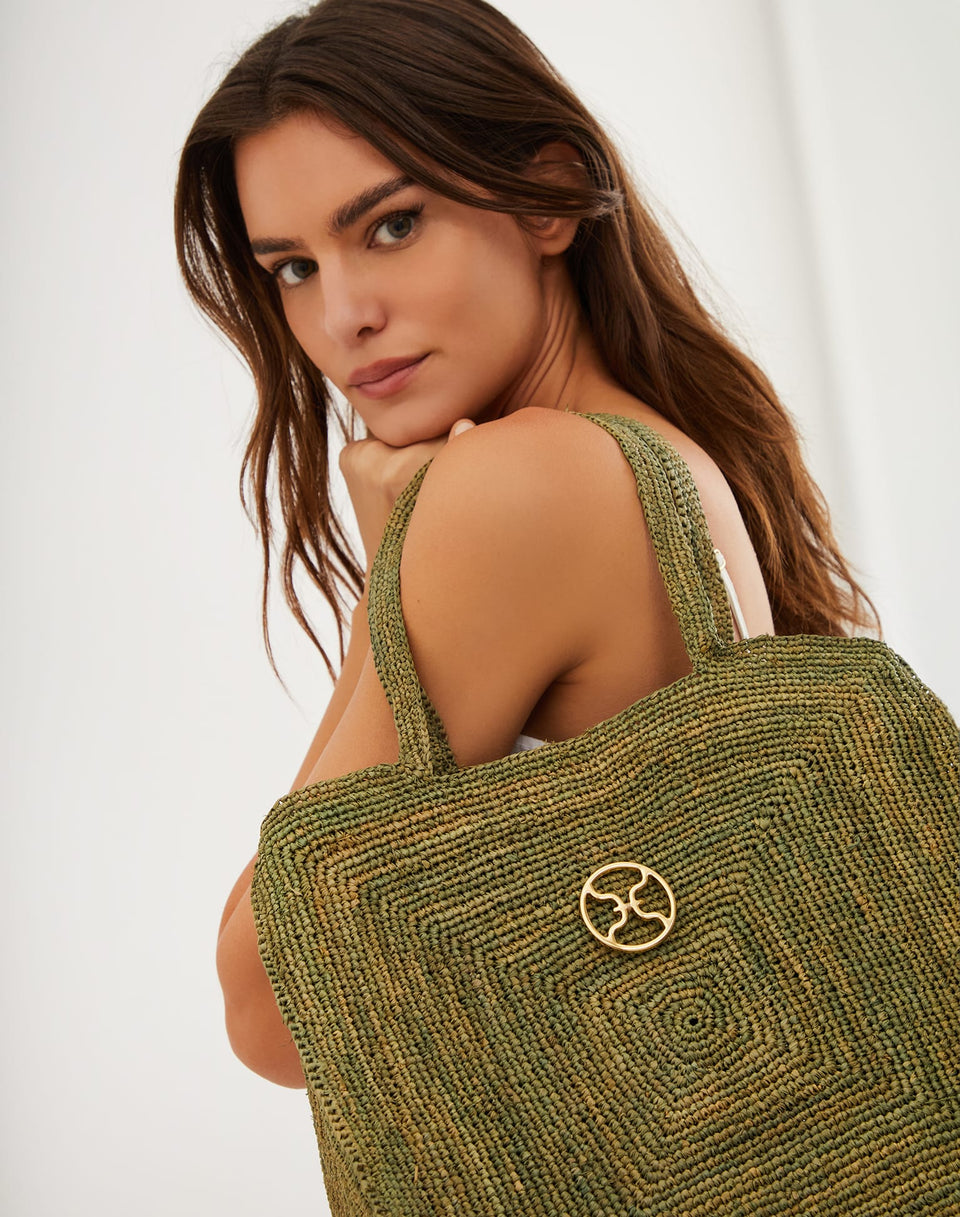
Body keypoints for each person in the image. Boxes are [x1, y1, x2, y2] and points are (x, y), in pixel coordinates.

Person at [174, 0, 879, 1094]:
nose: (342, 315)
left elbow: (272, 1008)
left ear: (547, 195)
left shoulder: (524, 486)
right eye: (294, 268)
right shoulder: (653, 450)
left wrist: (394, 578)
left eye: (391, 226)